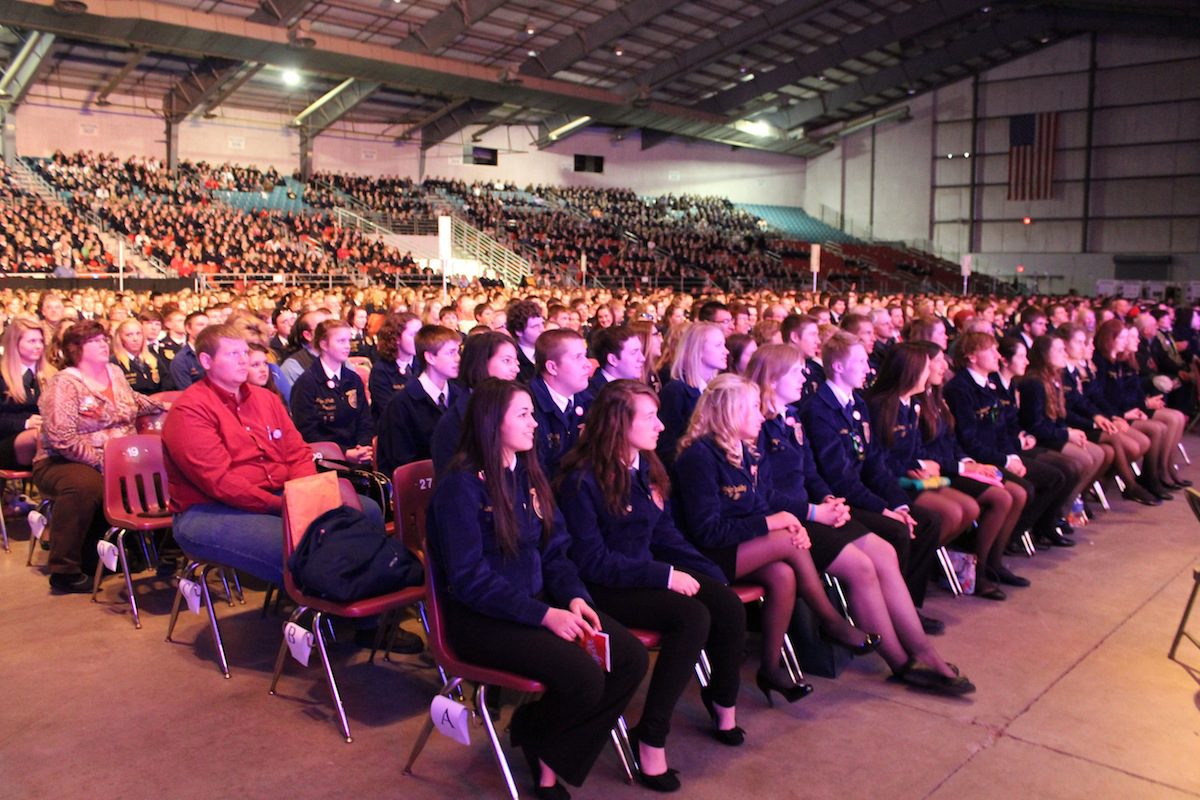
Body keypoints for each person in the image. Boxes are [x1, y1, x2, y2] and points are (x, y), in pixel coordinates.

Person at [426, 379, 648, 799]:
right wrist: (545, 615)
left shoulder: (528, 472)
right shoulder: (461, 485)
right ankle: (541, 753)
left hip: (536, 602)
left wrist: (573, 597)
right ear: (493, 423)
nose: (535, 424)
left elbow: (555, 551)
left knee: (630, 658)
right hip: (482, 619)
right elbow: (469, 578)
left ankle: (537, 735)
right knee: (584, 676)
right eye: (524, 415)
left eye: (533, 413)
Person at [746, 344, 974, 692]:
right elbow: (762, 491)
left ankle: (923, 650)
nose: (805, 377)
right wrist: (814, 510)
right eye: (796, 372)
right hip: (785, 520)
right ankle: (900, 661)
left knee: (882, 551)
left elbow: (811, 474)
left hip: (812, 509)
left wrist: (827, 500)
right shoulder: (756, 422)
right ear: (772, 379)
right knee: (862, 566)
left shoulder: (790, 416)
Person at [557, 380, 748, 790]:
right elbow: (593, 562)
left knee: (726, 603)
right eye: (649, 417)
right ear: (616, 423)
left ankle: (723, 700)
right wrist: (664, 576)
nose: (660, 426)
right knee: (691, 617)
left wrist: (706, 573)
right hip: (602, 587)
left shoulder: (643, 465)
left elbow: (665, 535)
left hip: (641, 573)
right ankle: (651, 734)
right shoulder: (582, 479)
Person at [673, 374, 885, 705]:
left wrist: (785, 523)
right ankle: (831, 621)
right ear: (731, 413)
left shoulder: (742, 449)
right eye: (754, 409)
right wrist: (777, 524)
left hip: (738, 546)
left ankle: (770, 668)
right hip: (705, 557)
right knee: (787, 539)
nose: (762, 415)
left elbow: (758, 503)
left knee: (783, 574)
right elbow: (707, 532)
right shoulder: (699, 457)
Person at [800, 332, 945, 634]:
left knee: (925, 520)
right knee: (896, 530)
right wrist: (883, 510)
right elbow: (840, 478)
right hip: (838, 500)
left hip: (858, 493)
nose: (868, 368)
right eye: (861, 362)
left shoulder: (857, 403)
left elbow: (874, 464)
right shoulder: (819, 409)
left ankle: (908, 605)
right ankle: (892, 613)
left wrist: (898, 503)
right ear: (838, 367)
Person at [33, 320, 164, 593]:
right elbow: (62, 438)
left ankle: (164, 551)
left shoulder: (114, 373)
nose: (103, 345)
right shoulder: (64, 384)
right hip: (64, 460)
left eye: (104, 339)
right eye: (95, 341)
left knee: (162, 474)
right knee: (85, 486)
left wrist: (164, 405)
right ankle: (64, 569)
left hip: (122, 459)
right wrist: (103, 462)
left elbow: (133, 401)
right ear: (75, 349)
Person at [1055, 324, 1157, 505]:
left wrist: (1107, 417)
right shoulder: (1065, 372)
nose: (1089, 348)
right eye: (1081, 343)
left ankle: (1090, 490)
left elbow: (1090, 400)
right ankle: (1130, 486)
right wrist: (1098, 421)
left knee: (1116, 449)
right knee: (1119, 442)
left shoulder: (1079, 368)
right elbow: (1068, 409)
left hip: (1092, 418)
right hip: (1075, 425)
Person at [994, 336, 1078, 547]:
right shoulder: (1023, 383)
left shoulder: (1011, 384)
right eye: (1021, 356)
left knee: (1070, 468)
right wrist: (1018, 443)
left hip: (1019, 444)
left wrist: (1023, 436)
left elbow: (1014, 422)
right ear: (1005, 360)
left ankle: (1045, 523)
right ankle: (1017, 533)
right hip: (1007, 449)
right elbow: (999, 429)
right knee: (1060, 472)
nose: (1026, 361)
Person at [1020, 336, 1108, 533]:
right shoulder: (1034, 382)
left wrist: (1069, 430)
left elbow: (1061, 415)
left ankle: (1064, 507)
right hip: (1041, 438)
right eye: (1059, 350)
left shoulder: (1054, 377)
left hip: (1053, 432)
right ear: (1045, 355)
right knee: (1082, 460)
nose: (1064, 354)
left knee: (1098, 454)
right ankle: (1055, 514)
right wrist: (1066, 434)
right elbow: (1035, 425)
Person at [430, 329, 521, 474]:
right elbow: (454, 483)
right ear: (482, 363)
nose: (515, 369)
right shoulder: (454, 422)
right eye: (507, 361)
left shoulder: (515, 408)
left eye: (516, 361)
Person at [376, 324, 461, 476]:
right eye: (451, 353)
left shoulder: (459, 396)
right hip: (421, 484)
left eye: (458, 352)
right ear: (430, 357)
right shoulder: (402, 404)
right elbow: (402, 461)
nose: (458, 359)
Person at [289, 319, 375, 464]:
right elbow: (307, 432)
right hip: (325, 460)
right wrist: (344, 452)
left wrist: (363, 446)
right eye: (341, 341)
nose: (347, 346)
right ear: (324, 344)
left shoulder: (352, 379)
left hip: (359, 455)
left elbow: (364, 419)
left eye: (349, 340)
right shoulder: (306, 383)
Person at [657, 322, 726, 466]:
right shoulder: (676, 391)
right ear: (698, 350)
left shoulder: (718, 389)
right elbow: (666, 447)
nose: (726, 351)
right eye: (718, 345)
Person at [528, 329, 592, 480]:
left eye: (585, 356)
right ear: (552, 367)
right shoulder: (528, 407)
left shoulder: (590, 402)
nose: (587, 365)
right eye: (578, 358)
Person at [0, 316, 55, 470]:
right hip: (8, 439)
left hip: (46, 435)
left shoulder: (52, 373)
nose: (38, 346)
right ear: (14, 343)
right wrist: (25, 423)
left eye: (40, 341)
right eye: (32, 341)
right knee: (40, 435)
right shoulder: (2, 374)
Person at [368, 312, 420, 421]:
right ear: (396, 338)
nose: (418, 340)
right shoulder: (381, 370)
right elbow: (390, 411)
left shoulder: (423, 365)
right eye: (413, 335)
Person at [111, 318, 173, 395]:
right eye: (129, 335)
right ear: (120, 338)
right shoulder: (114, 363)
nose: (135, 339)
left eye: (138, 334)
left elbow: (167, 383)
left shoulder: (153, 358)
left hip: (158, 402)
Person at [588, 325, 647, 396]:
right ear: (613, 360)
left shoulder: (634, 388)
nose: (642, 358)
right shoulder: (593, 396)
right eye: (634, 353)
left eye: (640, 351)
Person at [507, 299, 545, 383]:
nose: (542, 329)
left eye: (542, 324)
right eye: (535, 326)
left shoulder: (550, 351)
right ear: (518, 331)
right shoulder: (513, 359)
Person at [168, 310, 209, 389]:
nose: (206, 328)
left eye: (208, 325)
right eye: (200, 325)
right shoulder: (181, 359)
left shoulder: (214, 354)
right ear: (188, 328)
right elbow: (186, 392)